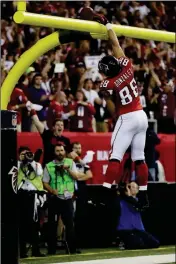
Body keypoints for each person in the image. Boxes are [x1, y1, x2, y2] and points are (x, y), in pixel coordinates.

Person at [94, 14, 149, 208]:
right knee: (139, 157)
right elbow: (116, 45)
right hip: (142, 115)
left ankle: (105, 193)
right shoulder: (127, 66)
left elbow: (107, 95)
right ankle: (143, 194)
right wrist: (108, 24)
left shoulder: (107, 82)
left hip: (127, 117)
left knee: (115, 156)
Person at [42, 144, 82, 255]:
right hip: (54, 198)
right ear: (54, 152)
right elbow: (44, 182)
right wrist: (51, 190)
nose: (60, 152)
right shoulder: (49, 166)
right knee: (52, 225)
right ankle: (51, 250)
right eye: (57, 150)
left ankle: (72, 250)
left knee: (70, 225)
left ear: (64, 151)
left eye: (61, 150)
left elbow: (76, 177)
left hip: (68, 198)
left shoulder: (70, 163)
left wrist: (68, 169)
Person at [17, 146, 46, 258]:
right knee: (22, 225)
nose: (25, 156)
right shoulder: (17, 165)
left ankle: (36, 250)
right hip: (21, 195)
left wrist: (31, 161)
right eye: (22, 154)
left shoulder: (37, 165)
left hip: (34, 196)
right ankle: (22, 252)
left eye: (27, 153)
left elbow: (38, 173)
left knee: (35, 224)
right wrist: (22, 162)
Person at [116, 182, 160, 249]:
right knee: (137, 244)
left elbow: (138, 205)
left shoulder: (139, 201)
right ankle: (123, 242)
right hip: (125, 229)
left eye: (135, 187)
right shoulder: (122, 200)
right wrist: (126, 194)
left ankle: (128, 243)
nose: (133, 189)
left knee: (155, 243)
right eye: (131, 187)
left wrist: (130, 196)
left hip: (138, 229)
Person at [71, 142, 93, 249]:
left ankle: (80, 241)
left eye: (79, 148)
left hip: (81, 191)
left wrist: (77, 177)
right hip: (70, 190)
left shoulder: (84, 163)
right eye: (75, 148)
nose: (77, 150)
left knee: (81, 216)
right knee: (70, 217)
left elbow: (89, 175)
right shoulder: (68, 161)